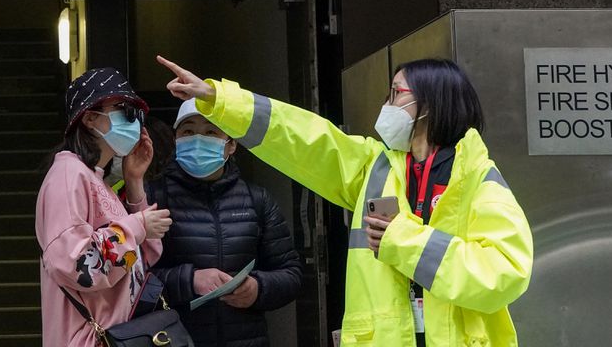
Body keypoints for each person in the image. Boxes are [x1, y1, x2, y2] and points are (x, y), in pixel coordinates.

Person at [157, 55, 533, 347]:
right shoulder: (375, 167)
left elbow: (504, 273)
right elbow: (305, 138)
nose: (385, 105)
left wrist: (401, 239)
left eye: (396, 94)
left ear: (431, 104)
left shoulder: (478, 179)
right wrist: (221, 100)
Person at [146, 98, 302, 347]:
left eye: (211, 131)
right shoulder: (151, 199)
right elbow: (128, 281)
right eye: (188, 131)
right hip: (173, 339)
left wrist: (257, 288)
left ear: (231, 145)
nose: (198, 139)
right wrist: (189, 280)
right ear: (176, 140)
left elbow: (291, 273)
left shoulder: (256, 200)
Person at [36, 67, 172, 347]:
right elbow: (75, 263)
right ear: (89, 119)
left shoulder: (93, 177)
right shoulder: (68, 175)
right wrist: (137, 226)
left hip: (116, 336)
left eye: (136, 113)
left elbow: (143, 257)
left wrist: (135, 182)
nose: (134, 121)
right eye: (124, 109)